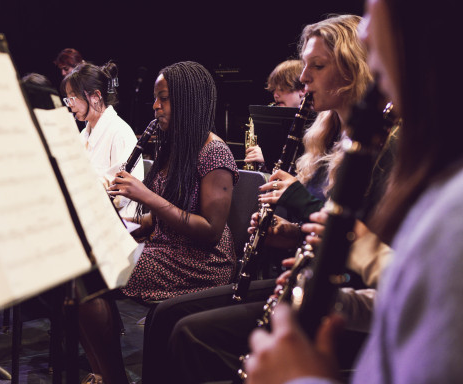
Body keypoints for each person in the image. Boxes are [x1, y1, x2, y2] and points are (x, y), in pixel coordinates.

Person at [140, 14, 384, 384]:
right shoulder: (326, 141)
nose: (303, 78)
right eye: (305, 65)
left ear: (355, 70)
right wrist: (289, 232)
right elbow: (323, 230)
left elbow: (363, 245)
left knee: (190, 333)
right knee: (164, 317)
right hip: (310, 280)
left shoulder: (383, 151)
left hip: (348, 301)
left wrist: (297, 198)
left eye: (316, 66)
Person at [243, 0, 463, 383]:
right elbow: (403, 297)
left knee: (190, 333)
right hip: (341, 296)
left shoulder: (438, 190)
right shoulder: (337, 140)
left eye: (377, 12)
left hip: (348, 305)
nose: (365, 29)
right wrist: (326, 285)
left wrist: (300, 377)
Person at [75, 61, 239, 384]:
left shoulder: (215, 154)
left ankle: (112, 378)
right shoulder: (174, 148)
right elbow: (158, 221)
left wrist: (146, 197)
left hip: (200, 263)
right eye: (155, 98)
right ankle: (103, 375)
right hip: (165, 252)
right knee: (81, 271)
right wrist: (123, 231)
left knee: (91, 282)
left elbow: (210, 231)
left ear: (187, 101)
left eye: (163, 99)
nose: (155, 106)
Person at [60, 60, 143, 217]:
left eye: (72, 98)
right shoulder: (84, 134)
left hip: (118, 219)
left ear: (96, 96)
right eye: (67, 99)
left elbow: (121, 195)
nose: (69, 105)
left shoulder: (120, 132)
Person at [244, 59, 306, 171]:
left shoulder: (315, 125)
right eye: (274, 90)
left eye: (282, 89)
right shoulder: (276, 123)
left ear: (302, 89)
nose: (276, 95)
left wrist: (269, 158)